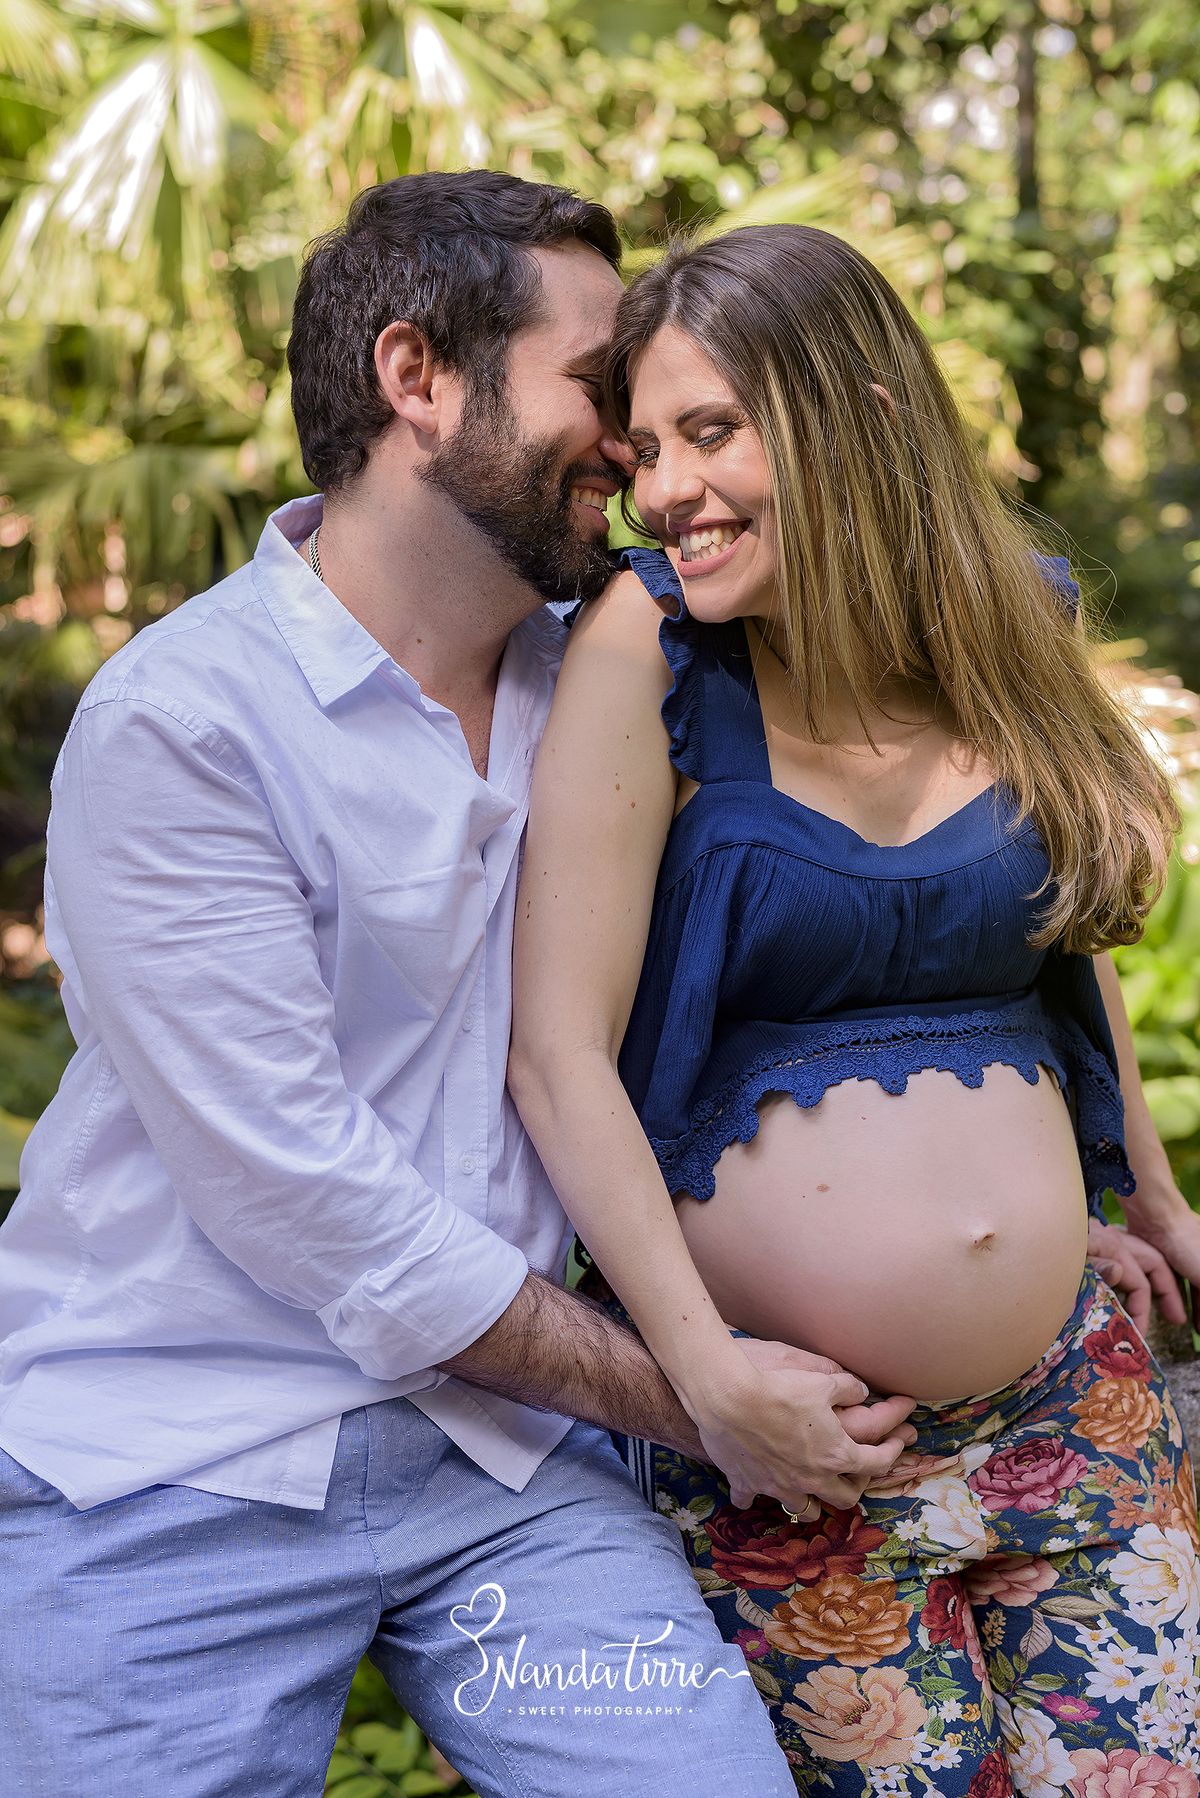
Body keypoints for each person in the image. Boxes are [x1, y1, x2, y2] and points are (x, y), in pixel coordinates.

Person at [0, 176, 918, 1798]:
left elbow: (864, 912)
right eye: (595, 382)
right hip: (170, 1468)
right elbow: (316, 1203)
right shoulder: (184, 726)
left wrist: (1078, 1175)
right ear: (417, 378)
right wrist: (698, 1391)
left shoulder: (624, 680)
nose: (635, 444)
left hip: (499, 1474)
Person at [509, 223, 1200, 1789]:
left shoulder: (1012, 617)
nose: (665, 489)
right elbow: (557, 1054)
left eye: (713, 432)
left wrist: (1148, 1193)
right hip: (802, 1450)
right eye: (648, 451)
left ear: (858, 416)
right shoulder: (652, 644)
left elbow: (1069, 921)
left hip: (1071, 1405)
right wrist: (709, 1381)